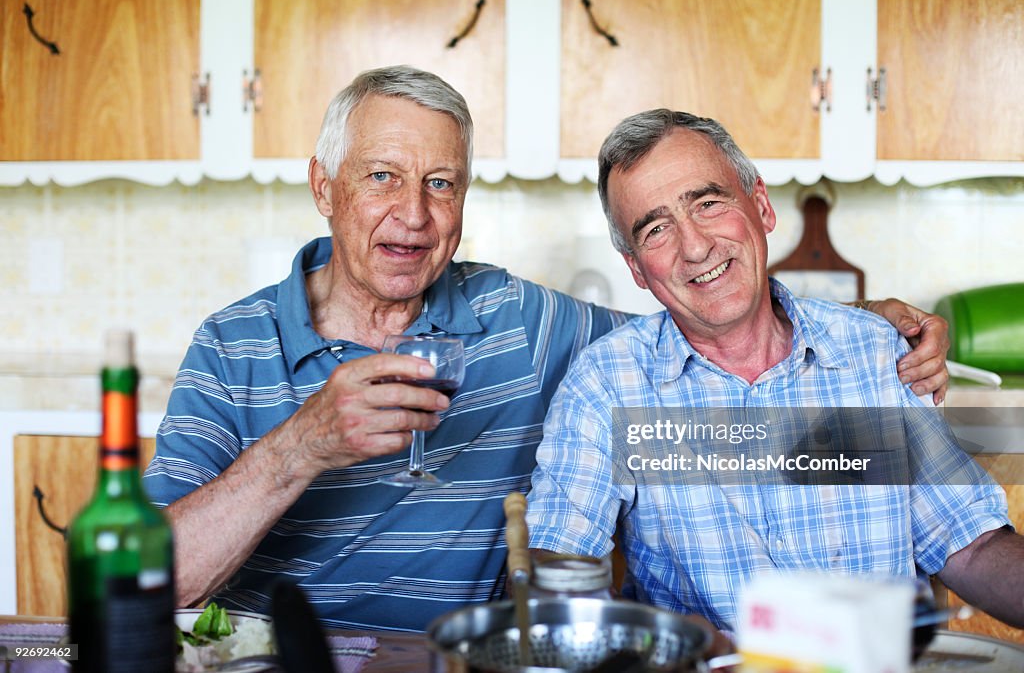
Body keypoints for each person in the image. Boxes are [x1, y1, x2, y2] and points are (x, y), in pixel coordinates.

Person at [143, 66, 951, 632]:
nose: (415, 216)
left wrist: (865, 326)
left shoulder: (520, 324)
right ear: (325, 187)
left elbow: (704, 312)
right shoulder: (232, 344)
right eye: (382, 177)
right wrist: (300, 447)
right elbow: (136, 591)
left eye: (441, 183)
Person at [524, 109, 1024, 636]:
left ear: (760, 206)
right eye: (655, 229)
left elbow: (968, 542)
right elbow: (558, 564)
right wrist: (662, 645)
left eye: (709, 203)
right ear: (636, 269)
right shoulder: (607, 383)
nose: (695, 247)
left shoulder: (874, 351)